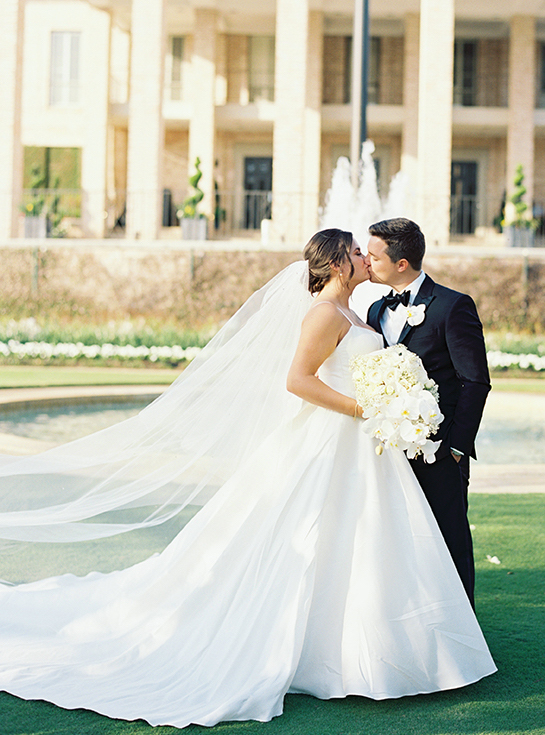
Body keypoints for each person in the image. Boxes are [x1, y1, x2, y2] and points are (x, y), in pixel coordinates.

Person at [0, 229, 495, 727]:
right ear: (339, 264)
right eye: (356, 252)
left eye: (369, 252)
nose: (365, 258)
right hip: (340, 433)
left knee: (366, 541)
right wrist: (364, 407)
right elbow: (298, 380)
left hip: (367, 442)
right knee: (318, 532)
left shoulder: (359, 312)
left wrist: (391, 407)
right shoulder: (325, 313)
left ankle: (386, 644)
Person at [366, 218, 491, 608]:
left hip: (440, 453)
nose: (367, 262)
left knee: (449, 543)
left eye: (374, 255)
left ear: (401, 263)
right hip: (388, 453)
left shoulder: (452, 306)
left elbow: (475, 381)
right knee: (399, 545)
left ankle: (464, 641)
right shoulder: (372, 311)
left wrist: (455, 448)